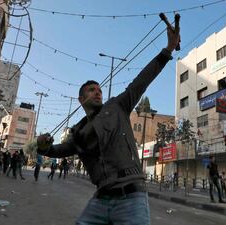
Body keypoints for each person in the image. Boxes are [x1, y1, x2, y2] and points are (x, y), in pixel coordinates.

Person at [37, 19, 180, 225]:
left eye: (99, 90)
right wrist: (44, 147)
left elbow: (142, 80)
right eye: (91, 90)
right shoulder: (78, 130)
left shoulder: (117, 107)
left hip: (131, 196)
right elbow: (61, 150)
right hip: (101, 198)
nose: (98, 92)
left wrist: (168, 49)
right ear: (81, 99)